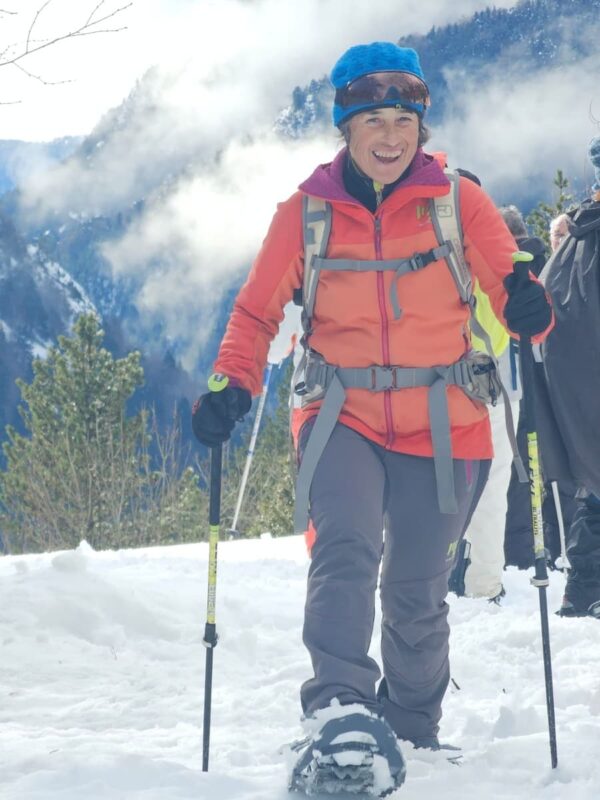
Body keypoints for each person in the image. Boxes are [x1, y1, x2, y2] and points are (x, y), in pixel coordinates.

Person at [191, 41, 553, 796]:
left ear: (421, 127)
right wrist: (233, 383)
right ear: (344, 128)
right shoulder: (306, 213)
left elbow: (516, 300)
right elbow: (256, 312)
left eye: (403, 120)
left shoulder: (459, 203)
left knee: (418, 586)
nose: (390, 136)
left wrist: (529, 305)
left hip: (444, 416)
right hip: (339, 413)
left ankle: (414, 724)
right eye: (373, 120)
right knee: (346, 550)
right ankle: (339, 711)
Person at [501, 206, 577, 571]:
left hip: (529, 379)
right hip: (549, 377)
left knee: (527, 471)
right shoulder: (548, 263)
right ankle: (558, 546)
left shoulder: (522, 269)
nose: (557, 243)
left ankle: (530, 553)